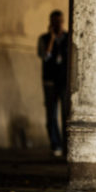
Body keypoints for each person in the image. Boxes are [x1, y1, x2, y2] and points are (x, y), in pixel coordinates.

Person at [37, 10, 69, 157]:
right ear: (51, 23)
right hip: (50, 81)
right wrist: (51, 37)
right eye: (55, 22)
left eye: (60, 21)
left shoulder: (69, 37)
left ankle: (67, 145)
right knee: (51, 115)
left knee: (66, 114)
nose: (58, 25)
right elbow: (45, 56)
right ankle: (55, 144)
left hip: (64, 82)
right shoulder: (43, 38)